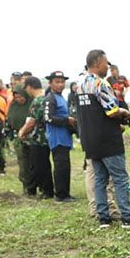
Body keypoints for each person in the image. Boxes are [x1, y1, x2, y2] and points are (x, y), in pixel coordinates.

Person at [78, 50, 130, 228]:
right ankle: (128, 217)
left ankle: (104, 218)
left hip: (90, 139)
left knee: (100, 178)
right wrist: (125, 112)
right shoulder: (100, 84)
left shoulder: (80, 83)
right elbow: (112, 111)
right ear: (98, 62)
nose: (107, 67)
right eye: (106, 63)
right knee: (120, 178)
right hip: (107, 138)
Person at [17, 76, 53, 199]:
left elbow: (32, 121)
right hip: (47, 137)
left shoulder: (38, 100)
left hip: (39, 138)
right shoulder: (47, 97)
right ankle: (45, 189)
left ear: (30, 87)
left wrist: (22, 132)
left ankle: (46, 191)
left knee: (39, 165)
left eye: (26, 88)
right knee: (44, 164)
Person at [43, 71, 76, 201]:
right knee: (60, 166)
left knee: (65, 166)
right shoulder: (49, 98)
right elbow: (47, 118)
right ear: (50, 83)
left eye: (62, 82)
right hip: (57, 138)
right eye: (57, 82)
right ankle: (60, 195)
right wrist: (66, 120)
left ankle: (65, 193)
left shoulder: (61, 98)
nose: (60, 84)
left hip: (65, 136)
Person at [6, 83, 31, 189]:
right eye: (16, 97)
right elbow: (9, 118)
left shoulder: (31, 103)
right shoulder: (13, 105)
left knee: (33, 162)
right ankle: (26, 185)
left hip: (31, 137)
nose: (19, 99)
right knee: (22, 161)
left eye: (20, 96)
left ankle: (34, 185)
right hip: (18, 137)